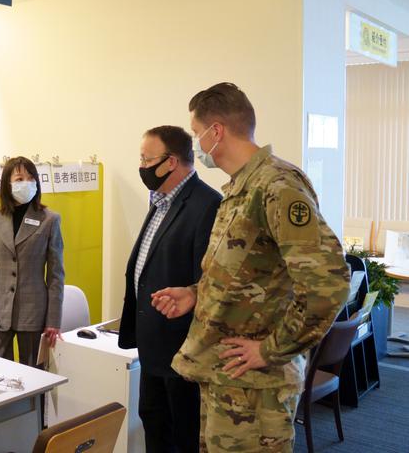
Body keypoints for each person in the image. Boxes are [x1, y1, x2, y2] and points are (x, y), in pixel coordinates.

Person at [152, 83, 350, 452]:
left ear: (216, 131)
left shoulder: (276, 186)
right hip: (226, 378)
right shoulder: (241, 189)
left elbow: (329, 284)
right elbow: (252, 272)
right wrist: (196, 294)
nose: (197, 144)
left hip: (258, 389)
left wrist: (271, 350)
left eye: (196, 134)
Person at [118, 126, 221, 453]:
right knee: (155, 424)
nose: (142, 166)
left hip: (181, 351)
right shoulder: (161, 200)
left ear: (172, 161)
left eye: (147, 159)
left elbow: (205, 284)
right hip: (153, 347)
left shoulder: (207, 205)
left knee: (182, 436)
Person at [0, 156, 65, 366]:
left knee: (34, 375)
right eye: (19, 178)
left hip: (33, 311)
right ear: (7, 184)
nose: (26, 182)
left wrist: (53, 319)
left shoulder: (50, 220)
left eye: (31, 177)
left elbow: (56, 275)